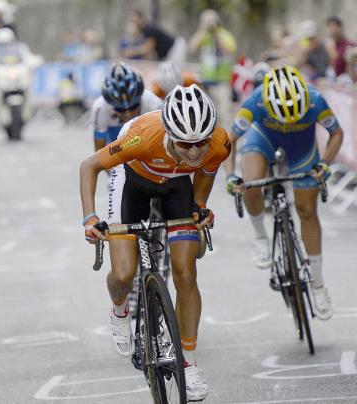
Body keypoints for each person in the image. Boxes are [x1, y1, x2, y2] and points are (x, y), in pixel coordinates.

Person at [81, 84, 231, 401]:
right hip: (132, 180)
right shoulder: (142, 136)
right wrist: (90, 218)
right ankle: (120, 310)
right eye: (184, 144)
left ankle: (188, 364)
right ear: (170, 135)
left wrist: (199, 207)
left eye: (200, 143)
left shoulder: (219, 143)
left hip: (177, 187)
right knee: (123, 274)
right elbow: (89, 165)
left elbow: (205, 173)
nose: (194, 151)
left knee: (186, 274)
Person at [225, 65, 343, 320]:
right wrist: (230, 176)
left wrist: (325, 163)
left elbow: (336, 133)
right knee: (251, 183)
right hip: (263, 140)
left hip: (303, 150)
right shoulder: (255, 101)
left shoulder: (315, 100)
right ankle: (260, 237)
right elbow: (229, 140)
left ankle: (319, 284)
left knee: (307, 212)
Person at [91, 62, 162, 152]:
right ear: (111, 105)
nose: (128, 114)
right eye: (120, 110)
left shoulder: (153, 103)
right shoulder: (100, 108)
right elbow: (99, 151)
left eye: (133, 107)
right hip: (115, 151)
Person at [188, 9, 237, 125]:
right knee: (207, 114)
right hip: (206, 81)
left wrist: (216, 34)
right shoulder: (202, 35)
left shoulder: (225, 35)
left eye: (211, 21)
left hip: (223, 81)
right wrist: (202, 30)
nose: (209, 24)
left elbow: (230, 50)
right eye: (205, 21)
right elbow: (191, 48)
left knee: (224, 113)